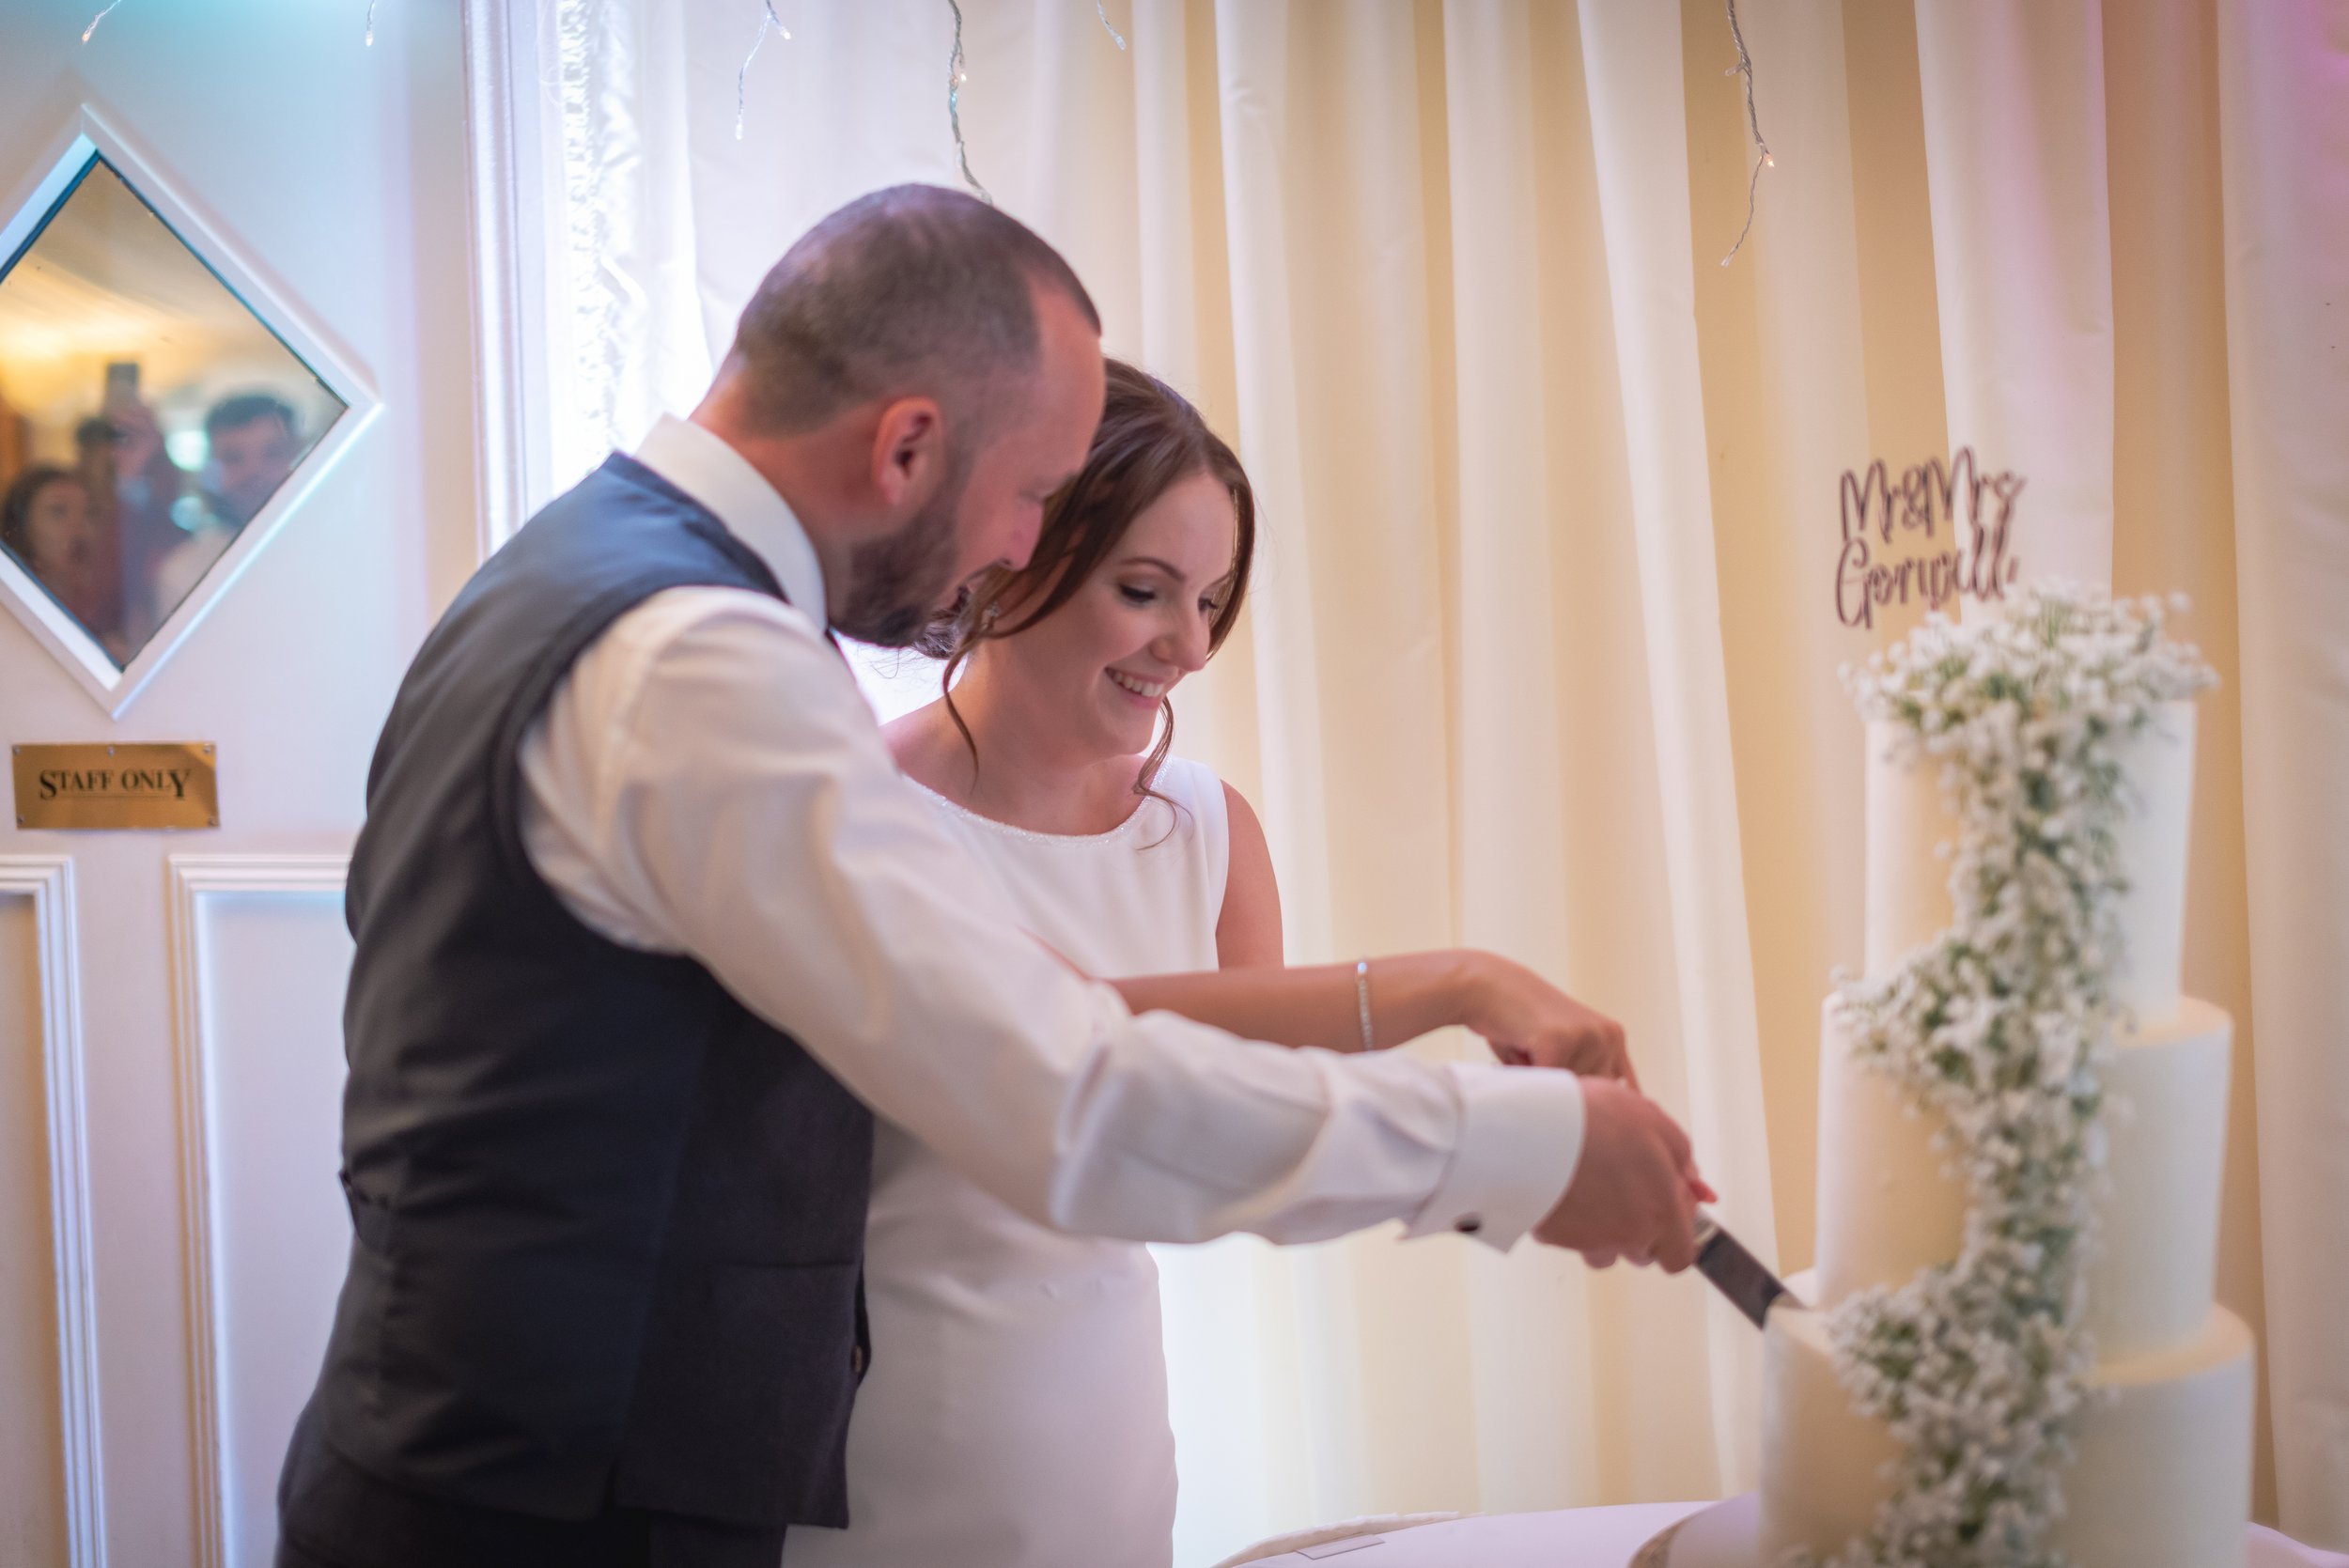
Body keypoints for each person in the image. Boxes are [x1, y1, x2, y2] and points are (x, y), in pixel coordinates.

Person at [275, 185, 1705, 1568]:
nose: (1023, 546)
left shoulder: (580, 575)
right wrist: (1518, 1148)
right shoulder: (694, 662)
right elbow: (1058, 1087)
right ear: (907, 447)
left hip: (506, 1465)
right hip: (544, 1514)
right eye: (1031, 495)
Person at [784, 360, 1680, 1568]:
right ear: (1010, 553)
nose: (1189, 647)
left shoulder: (1207, 828)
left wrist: (1526, 1107)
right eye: (1146, 590)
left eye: (1211, 600)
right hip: (894, 1453)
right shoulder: (861, 807)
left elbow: (1254, 1116)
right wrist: (1464, 986)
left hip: (1107, 1442)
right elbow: (1066, 1041)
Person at [0, 464, 126, 660]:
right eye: (58, 512)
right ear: (22, 528)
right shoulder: (10, 611)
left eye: (88, 512)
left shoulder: (109, 605)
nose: (79, 526)